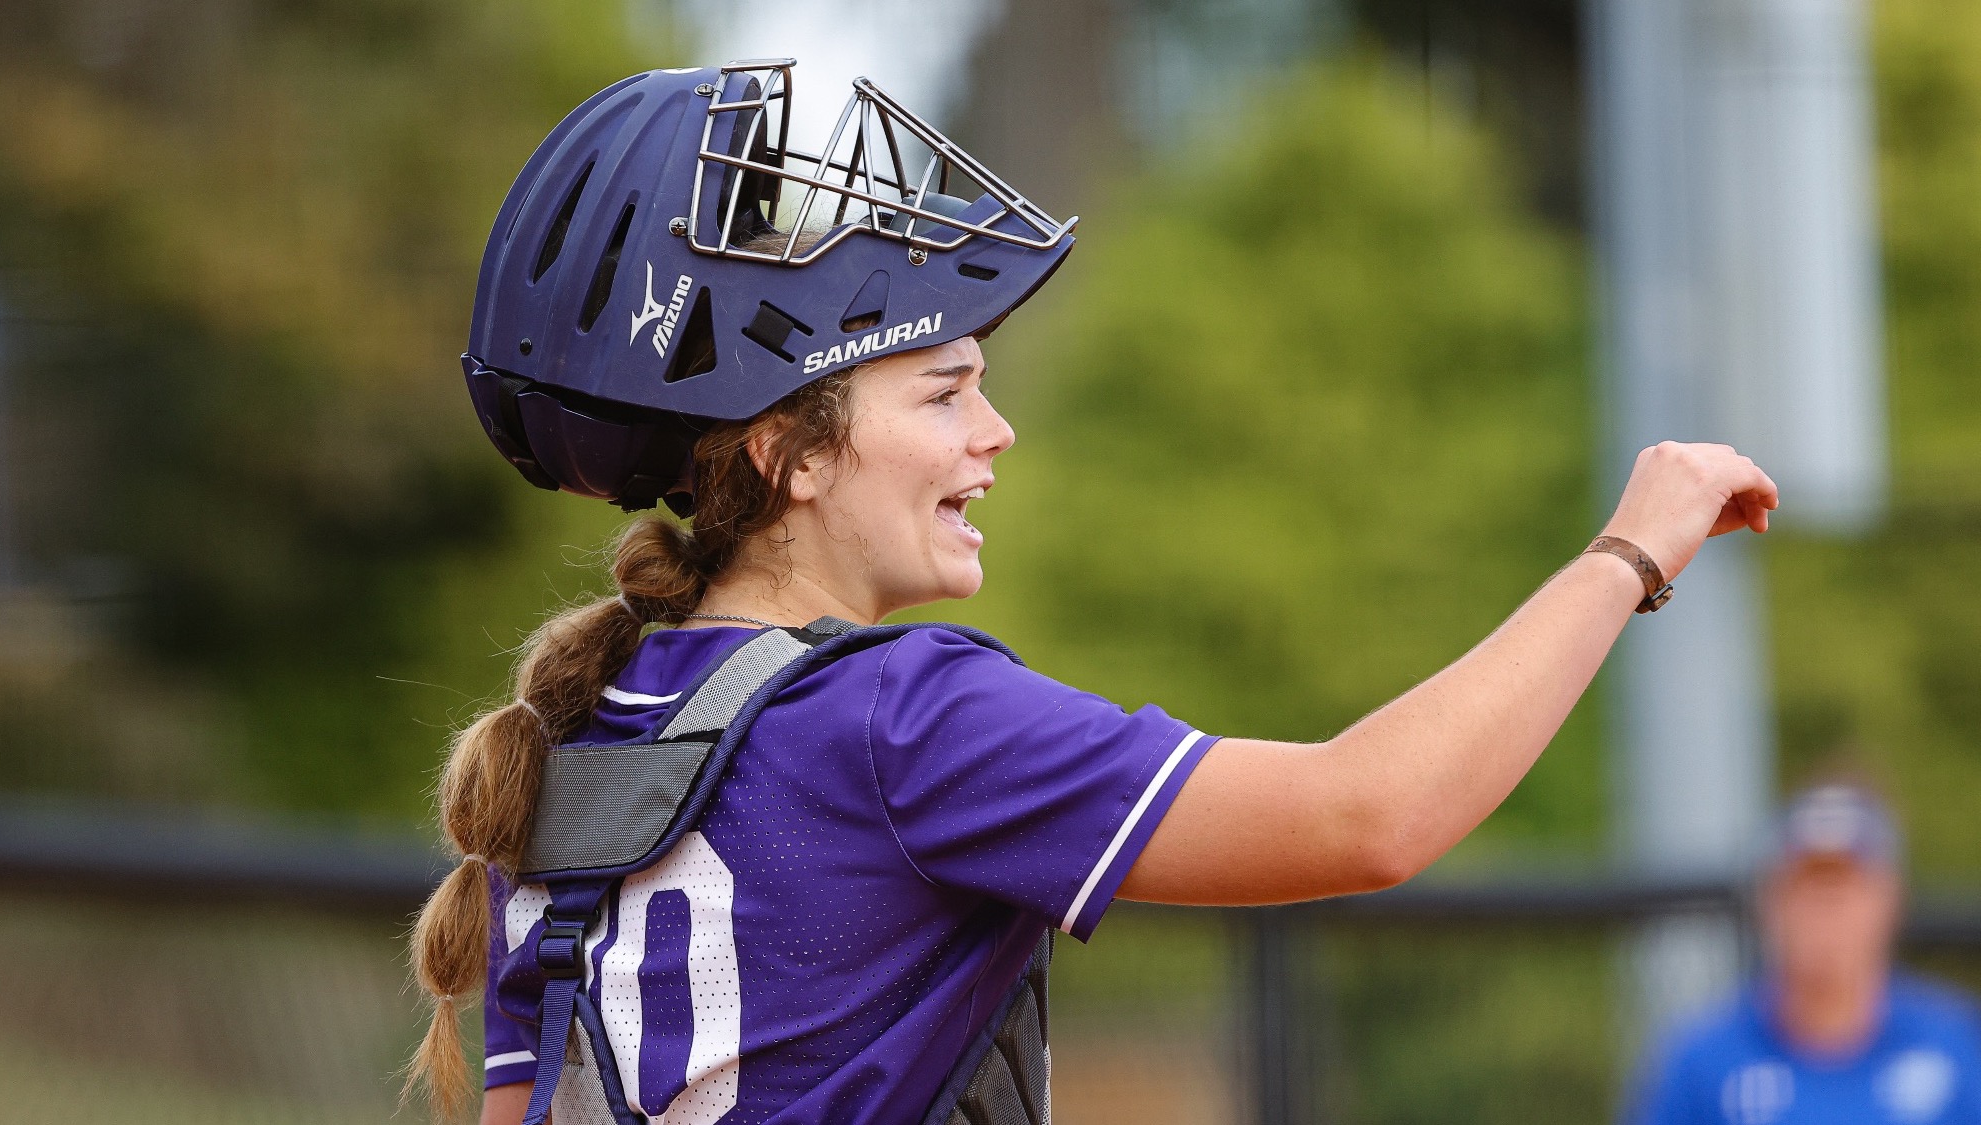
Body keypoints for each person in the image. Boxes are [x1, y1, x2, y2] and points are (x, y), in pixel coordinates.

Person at [404, 61, 1780, 1125]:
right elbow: (1371, 816)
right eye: (946, 390)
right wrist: (1628, 556)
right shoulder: (900, 716)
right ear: (789, 453)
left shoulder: (578, 734)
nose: (994, 432)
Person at [1623, 782, 1981, 1125]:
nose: (1826, 913)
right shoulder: (1703, 1064)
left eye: (1844, 890)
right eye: (1807, 890)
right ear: (1769, 904)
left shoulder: (1956, 1048)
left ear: (1890, 902)